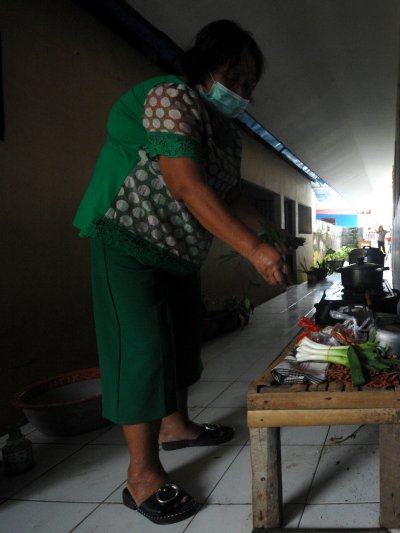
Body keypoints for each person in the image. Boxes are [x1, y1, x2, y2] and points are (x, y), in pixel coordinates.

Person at [73, 20, 285, 525]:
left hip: (176, 252)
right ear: (203, 65)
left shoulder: (226, 135)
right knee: (141, 348)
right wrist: (253, 250)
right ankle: (142, 475)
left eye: (248, 86)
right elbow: (186, 186)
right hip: (127, 239)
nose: (239, 92)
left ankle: (177, 426)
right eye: (232, 77)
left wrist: (271, 234)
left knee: (182, 341)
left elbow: (230, 194)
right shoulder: (170, 97)